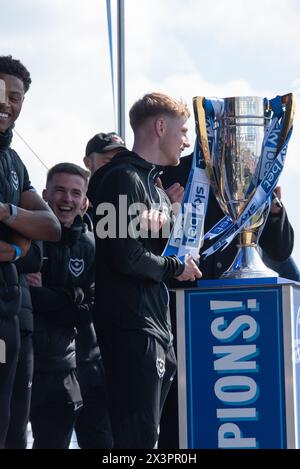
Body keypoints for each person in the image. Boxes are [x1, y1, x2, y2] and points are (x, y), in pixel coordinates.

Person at [87, 92, 202, 449]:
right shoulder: (122, 177)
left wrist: (169, 214)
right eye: (183, 130)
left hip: (153, 324)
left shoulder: (151, 184)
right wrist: (175, 267)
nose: (186, 141)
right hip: (131, 327)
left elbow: (141, 244)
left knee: (148, 439)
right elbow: (125, 256)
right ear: (160, 126)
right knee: (136, 441)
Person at [158, 152, 295, 448]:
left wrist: (272, 205)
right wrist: (168, 211)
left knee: (244, 410)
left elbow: (281, 250)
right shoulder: (175, 171)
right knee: (182, 413)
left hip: (245, 319)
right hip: (189, 312)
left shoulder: (255, 173)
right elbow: (153, 244)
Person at [26, 162, 112, 449]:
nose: (67, 199)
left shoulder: (93, 245)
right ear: (44, 194)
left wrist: (48, 295)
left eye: (76, 193)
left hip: (82, 366)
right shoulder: (26, 238)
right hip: (28, 362)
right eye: (60, 191)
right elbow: (23, 298)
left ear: (85, 201)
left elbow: (92, 308)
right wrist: (72, 295)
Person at [0, 55, 61, 449]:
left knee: (6, 424)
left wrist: (6, 213)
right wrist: (21, 235)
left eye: (16, 96)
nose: (7, 102)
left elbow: (51, 227)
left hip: (7, 312)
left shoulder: (13, 160)